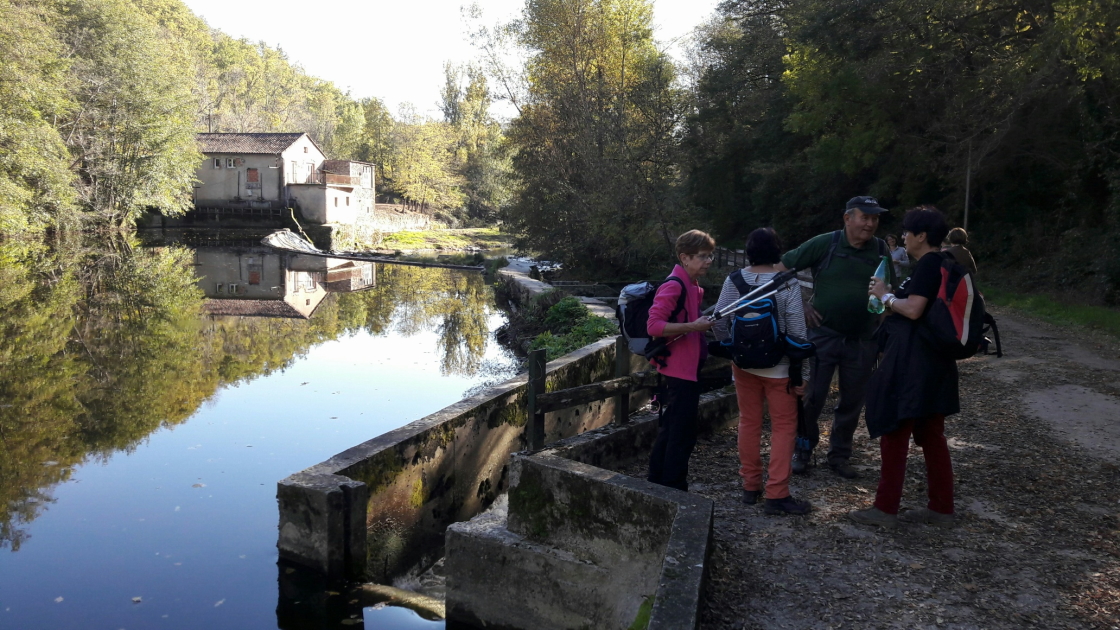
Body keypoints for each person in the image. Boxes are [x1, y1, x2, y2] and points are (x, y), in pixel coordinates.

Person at [849, 206, 959, 529]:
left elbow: (913, 310)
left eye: (908, 232)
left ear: (921, 236)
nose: (904, 237)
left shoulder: (928, 265)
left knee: (894, 432)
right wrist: (890, 299)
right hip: (935, 364)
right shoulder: (946, 264)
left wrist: (884, 296)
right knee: (932, 435)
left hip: (912, 365)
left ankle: (885, 509)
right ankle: (942, 508)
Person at [778, 196, 895, 479]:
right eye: (865, 217)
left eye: (875, 218)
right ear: (847, 218)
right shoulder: (825, 243)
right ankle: (802, 451)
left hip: (863, 339)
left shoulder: (881, 249)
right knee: (811, 397)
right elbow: (780, 269)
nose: (870, 224)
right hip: (822, 336)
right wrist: (800, 304)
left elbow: (888, 291)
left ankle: (839, 456)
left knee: (852, 402)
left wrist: (884, 336)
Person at [713, 228, 812, 515]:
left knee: (749, 422)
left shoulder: (734, 280)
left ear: (749, 251)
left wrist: (733, 349)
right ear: (777, 251)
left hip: (744, 366)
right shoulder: (787, 283)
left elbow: (718, 320)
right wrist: (803, 374)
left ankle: (750, 486)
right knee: (783, 427)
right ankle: (777, 494)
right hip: (779, 367)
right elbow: (798, 331)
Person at [646, 230, 716, 491]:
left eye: (710, 256)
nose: (708, 261)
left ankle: (659, 480)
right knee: (681, 431)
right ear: (685, 257)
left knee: (674, 426)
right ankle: (673, 485)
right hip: (679, 369)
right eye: (703, 256)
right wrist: (693, 326)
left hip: (688, 368)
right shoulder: (674, 285)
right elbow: (654, 326)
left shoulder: (692, 285)